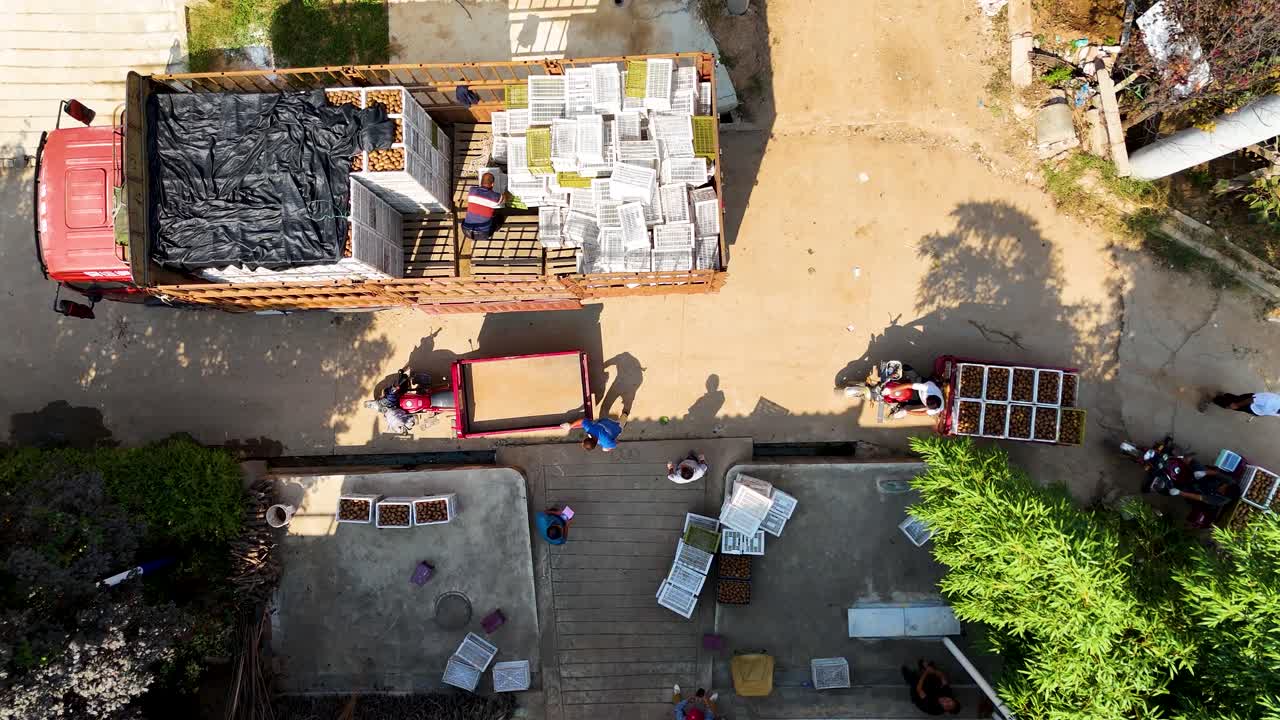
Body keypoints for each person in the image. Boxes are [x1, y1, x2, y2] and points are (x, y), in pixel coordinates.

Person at [461, 173, 509, 241]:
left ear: (480, 183)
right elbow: (505, 198)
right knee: (499, 218)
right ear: (492, 184)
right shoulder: (495, 197)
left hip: (466, 231)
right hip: (483, 234)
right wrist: (506, 192)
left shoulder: (472, 191)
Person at [1205, 391, 1280, 418]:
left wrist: (1260, 414)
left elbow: (1273, 412)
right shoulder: (1272, 400)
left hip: (1256, 408)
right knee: (1230, 405)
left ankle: (1225, 395)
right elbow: (1252, 399)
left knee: (1235, 398)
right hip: (1250, 402)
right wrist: (1237, 405)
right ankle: (1212, 399)